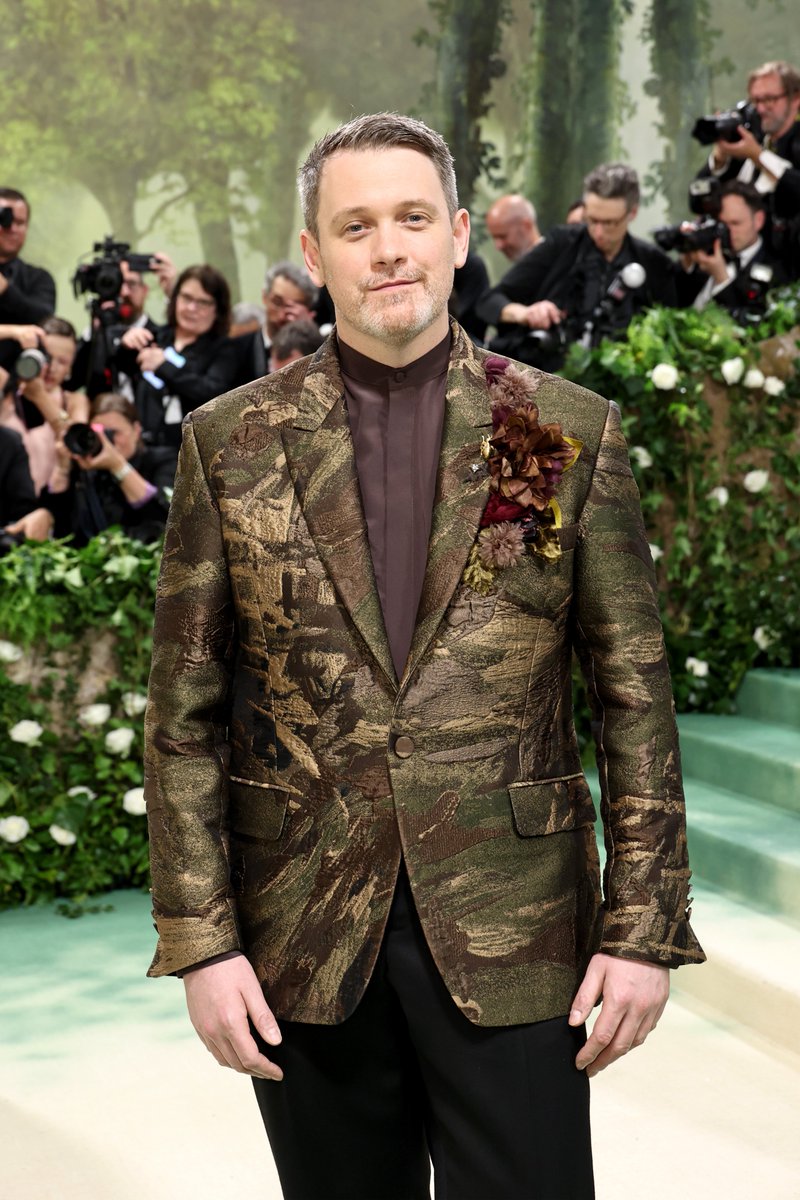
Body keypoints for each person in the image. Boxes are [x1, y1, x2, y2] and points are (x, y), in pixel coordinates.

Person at [144, 112, 704, 1200]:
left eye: (409, 218)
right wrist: (201, 942)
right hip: (301, 937)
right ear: (313, 255)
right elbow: (183, 715)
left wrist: (642, 930)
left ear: (456, 235)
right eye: (354, 226)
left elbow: (632, 698)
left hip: (518, 922)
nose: (386, 248)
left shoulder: (561, 432)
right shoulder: (231, 442)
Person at [477, 162, 678, 370]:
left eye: (609, 223)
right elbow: (490, 301)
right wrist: (525, 313)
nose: (598, 232)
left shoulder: (652, 261)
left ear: (632, 213)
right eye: (592, 220)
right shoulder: (562, 243)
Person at [112, 263, 239, 448]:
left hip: (192, 455)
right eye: (186, 298)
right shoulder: (157, 336)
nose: (191, 308)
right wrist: (126, 344)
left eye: (203, 302)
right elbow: (123, 366)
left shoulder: (225, 350)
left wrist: (164, 366)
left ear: (217, 309)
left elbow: (213, 394)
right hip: (143, 449)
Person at [44, 392, 176, 545]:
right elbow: (59, 529)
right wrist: (62, 469)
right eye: (98, 433)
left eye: (113, 433)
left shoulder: (163, 460)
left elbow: (166, 517)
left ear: (136, 430)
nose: (106, 440)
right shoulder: (85, 467)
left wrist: (117, 466)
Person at [696, 60, 800, 233]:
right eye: (755, 100)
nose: (760, 109)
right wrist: (720, 159)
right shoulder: (751, 140)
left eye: (769, 99)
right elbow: (697, 199)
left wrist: (758, 156)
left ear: (796, 99)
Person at [676, 180, 793, 317]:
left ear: (758, 220)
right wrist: (687, 265)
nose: (727, 231)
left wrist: (722, 280)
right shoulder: (708, 250)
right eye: (722, 223)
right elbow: (675, 302)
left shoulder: (777, 270)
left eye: (735, 223)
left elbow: (753, 324)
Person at [0, 316, 85, 493]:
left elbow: (79, 444)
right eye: (47, 356)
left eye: (62, 362)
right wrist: (13, 331)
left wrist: (39, 396)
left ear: (71, 367)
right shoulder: (5, 385)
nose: (52, 367)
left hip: (50, 505)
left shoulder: (74, 401)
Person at [231, 262, 320, 386]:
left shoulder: (320, 348)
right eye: (277, 302)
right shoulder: (236, 349)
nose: (282, 315)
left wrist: (306, 333)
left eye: (292, 308)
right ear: (264, 297)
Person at [0, 187, 56, 371]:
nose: (13, 229)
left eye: (20, 222)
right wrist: (13, 332)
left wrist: (6, 290)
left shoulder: (38, 278)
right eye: (5, 220)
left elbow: (43, 317)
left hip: (20, 383)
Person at [485, 193, 541, 262]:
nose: (498, 246)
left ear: (527, 226)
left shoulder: (556, 258)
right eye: (495, 238)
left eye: (503, 236)